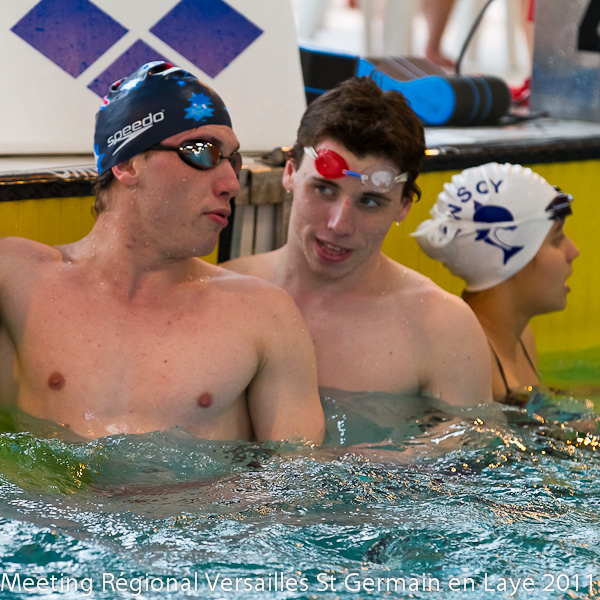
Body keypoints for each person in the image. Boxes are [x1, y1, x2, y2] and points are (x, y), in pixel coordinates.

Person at [0, 61, 324, 443]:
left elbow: (297, 473)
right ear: (126, 164)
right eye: (203, 153)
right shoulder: (16, 280)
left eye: (233, 160)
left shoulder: (265, 315)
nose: (231, 183)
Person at [222, 76, 492, 407]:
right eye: (324, 189)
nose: (339, 225)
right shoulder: (222, 296)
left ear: (403, 206)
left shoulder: (443, 328)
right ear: (290, 173)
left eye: (370, 201)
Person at [413, 162, 578, 403]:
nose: (573, 251)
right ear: (512, 256)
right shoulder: (464, 355)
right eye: (557, 239)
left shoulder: (521, 335)